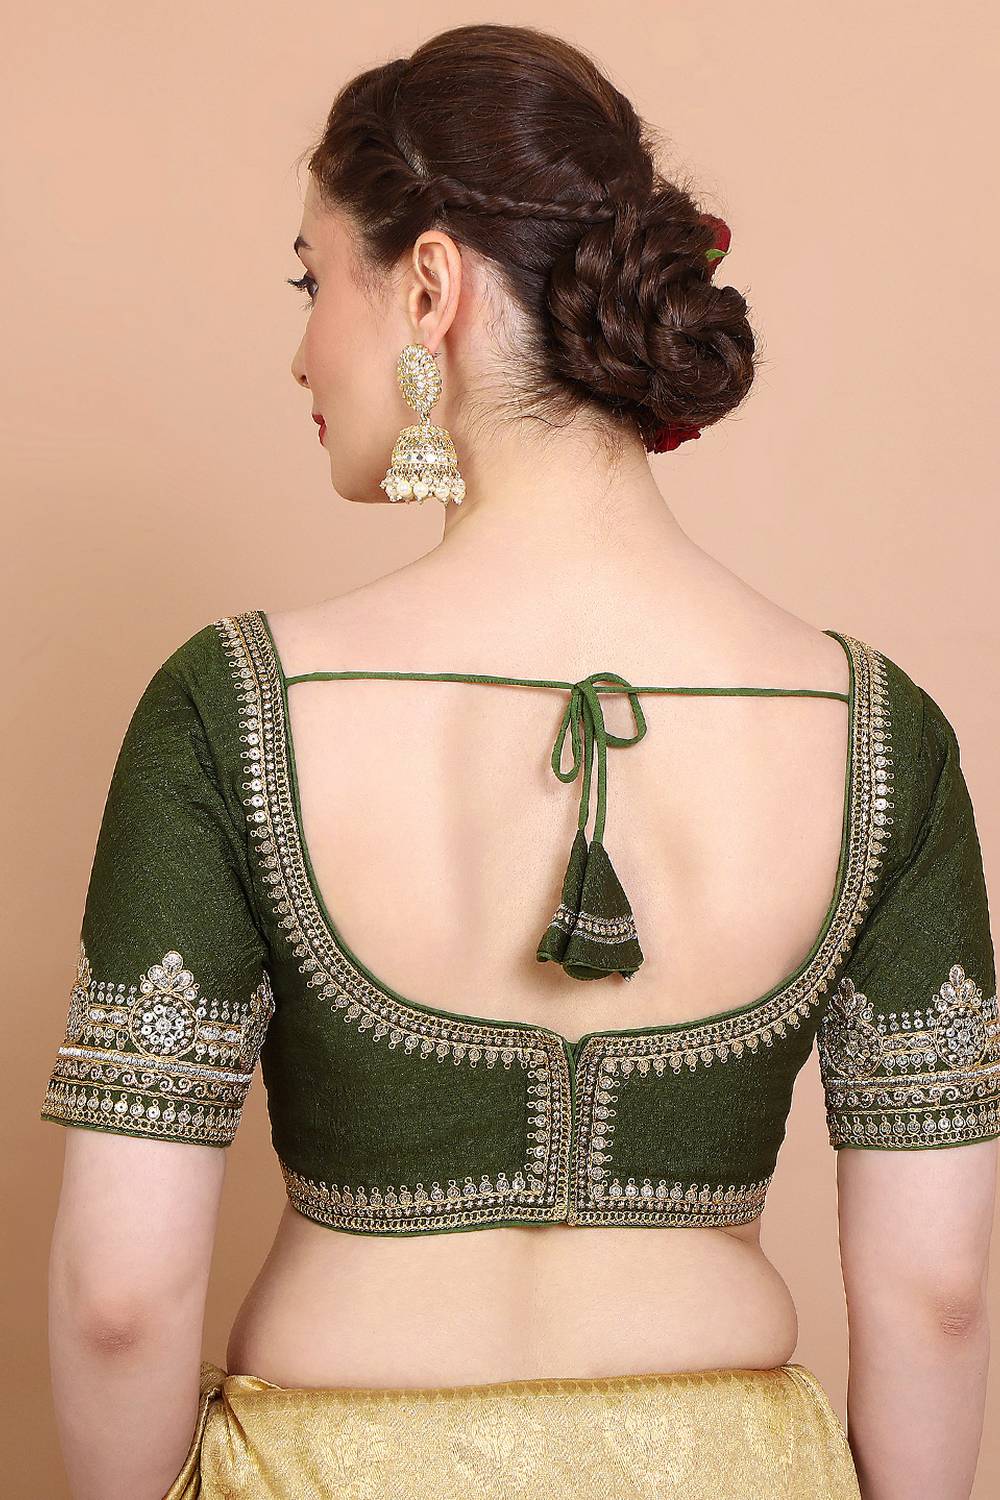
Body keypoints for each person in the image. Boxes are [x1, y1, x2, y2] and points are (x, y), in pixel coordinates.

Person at [39, 22, 998, 1500]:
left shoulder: (232, 709)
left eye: (313, 281)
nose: (302, 350)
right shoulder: (878, 732)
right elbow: (939, 1294)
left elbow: (120, 1300)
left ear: (428, 286)